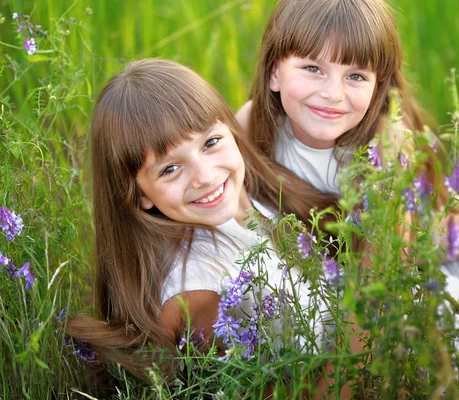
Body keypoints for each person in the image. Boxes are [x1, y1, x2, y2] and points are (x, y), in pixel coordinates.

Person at [236, 0, 459, 374]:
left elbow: (423, 243)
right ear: (274, 73)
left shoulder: (385, 148)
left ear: (379, 85)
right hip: (330, 293)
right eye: (313, 68)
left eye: (355, 76)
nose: (333, 93)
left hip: (403, 287)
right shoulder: (250, 127)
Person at [66, 59, 355, 395]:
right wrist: (367, 328)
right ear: (139, 195)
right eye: (170, 169)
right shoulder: (195, 291)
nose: (204, 176)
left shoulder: (237, 197)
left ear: (231, 131)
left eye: (210, 143)